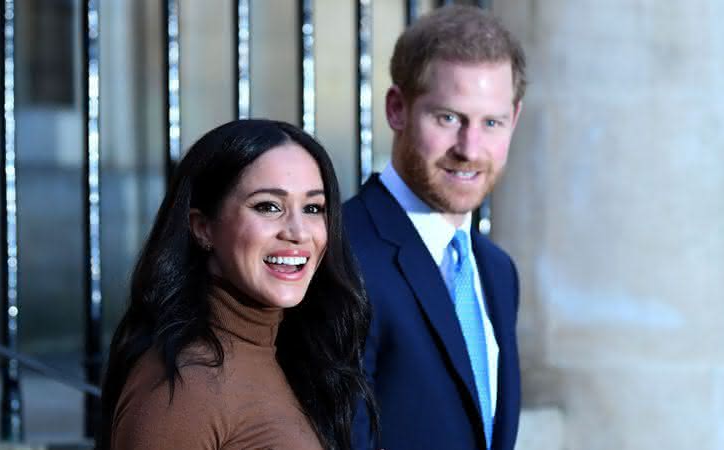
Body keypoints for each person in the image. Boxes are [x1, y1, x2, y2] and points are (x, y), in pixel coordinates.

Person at [98, 119, 377, 450]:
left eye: (313, 208)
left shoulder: (292, 354)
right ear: (202, 228)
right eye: (268, 206)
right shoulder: (184, 387)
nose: (299, 232)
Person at [345, 5, 526, 450]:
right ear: (397, 109)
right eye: (448, 118)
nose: (470, 148)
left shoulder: (497, 271)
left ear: (514, 120)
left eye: (491, 123)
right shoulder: (342, 253)